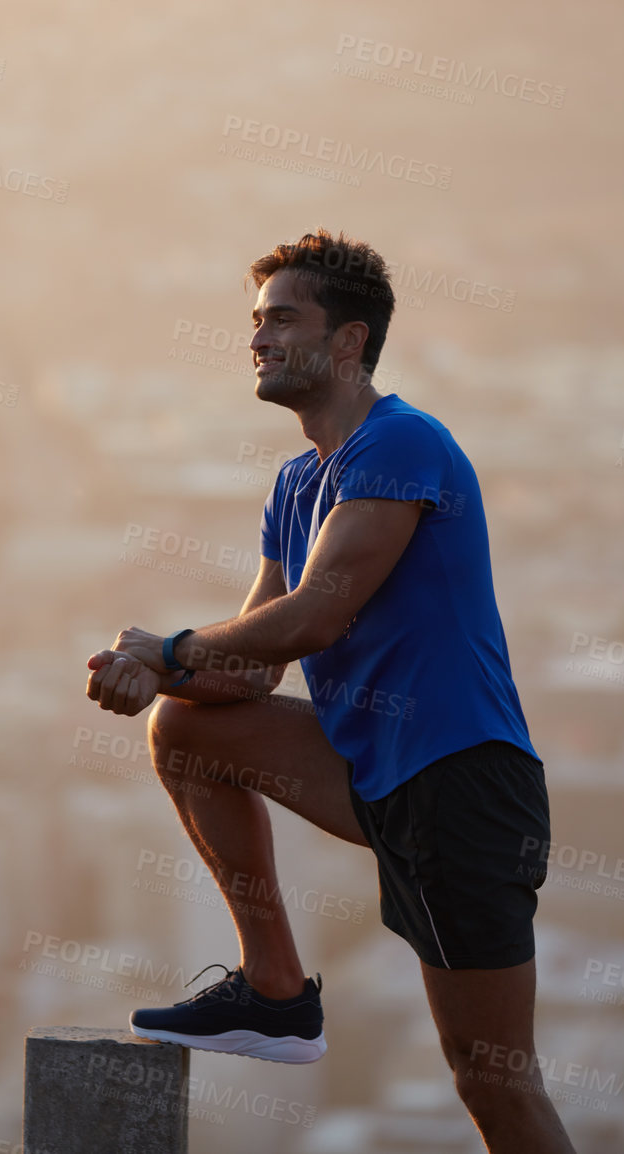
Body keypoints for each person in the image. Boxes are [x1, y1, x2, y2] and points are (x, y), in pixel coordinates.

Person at [85, 229, 575, 1152]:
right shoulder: (295, 483)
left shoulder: (402, 444)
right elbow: (252, 670)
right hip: (374, 772)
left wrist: (169, 645)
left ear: (348, 342)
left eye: (281, 321)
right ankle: (273, 992)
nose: (258, 340)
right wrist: (156, 672)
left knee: (494, 1080)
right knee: (184, 728)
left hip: (462, 781)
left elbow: (316, 616)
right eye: (255, 323)